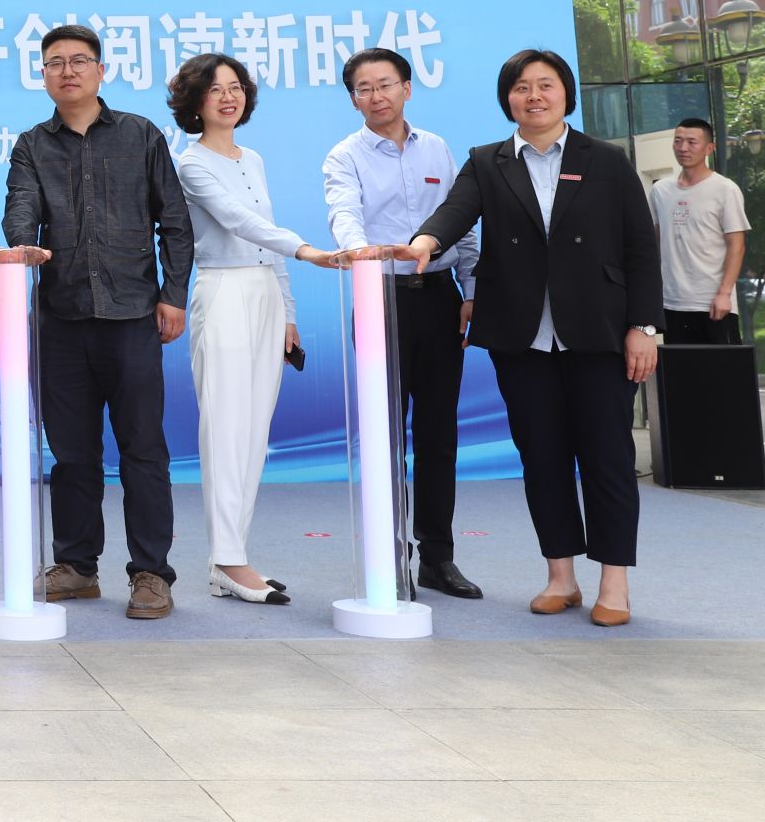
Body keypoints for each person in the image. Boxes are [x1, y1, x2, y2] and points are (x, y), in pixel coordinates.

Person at [396, 49, 660, 628]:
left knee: (609, 460)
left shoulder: (606, 160)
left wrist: (643, 327)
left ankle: (613, 583)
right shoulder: (487, 162)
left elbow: (640, 248)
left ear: (566, 93)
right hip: (522, 339)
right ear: (507, 98)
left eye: (545, 85)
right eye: (521, 87)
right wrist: (425, 242)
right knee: (542, 459)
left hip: (598, 334)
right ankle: (560, 577)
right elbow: (455, 213)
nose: (533, 96)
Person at [3, 24, 191, 621]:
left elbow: (175, 222)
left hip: (133, 314)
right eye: (55, 62)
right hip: (61, 318)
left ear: (101, 70)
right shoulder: (32, 144)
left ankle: (151, 573)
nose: (68, 71)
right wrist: (20, 247)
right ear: (43, 75)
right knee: (72, 454)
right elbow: (20, 208)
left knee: (143, 449)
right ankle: (77, 565)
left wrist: (174, 295)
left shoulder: (141, 134)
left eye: (79, 60)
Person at [169, 54, 344, 607]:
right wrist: (307, 249)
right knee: (226, 427)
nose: (229, 97)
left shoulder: (254, 159)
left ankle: (231, 557)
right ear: (194, 101)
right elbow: (239, 222)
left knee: (254, 432)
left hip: (266, 291)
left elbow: (265, 234)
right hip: (223, 292)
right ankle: (227, 558)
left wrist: (288, 310)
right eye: (215, 89)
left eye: (236, 87)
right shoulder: (190, 163)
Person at [321, 46, 485, 600]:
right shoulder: (344, 156)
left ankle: (438, 557)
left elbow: (461, 224)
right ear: (353, 99)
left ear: (407, 89)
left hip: (439, 299)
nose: (376, 96)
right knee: (383, 435)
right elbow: (344, 212)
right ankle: (389, 559)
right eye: (363, 89)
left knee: (439, 434)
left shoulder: (437, 147)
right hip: (380, 298)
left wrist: (471, 290)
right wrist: (361, 255)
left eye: (385, 84)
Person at [651, 117, 749, 345]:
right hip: (672, 303)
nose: (683, 147)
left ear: (709, 148)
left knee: (722, 367)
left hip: (714, 304)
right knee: (680, 367)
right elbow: (655, 243)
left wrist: (724, 294)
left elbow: (737, 246)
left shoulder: (725, 189)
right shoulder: (660, 190)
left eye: (692, 142)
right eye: (678, 141)